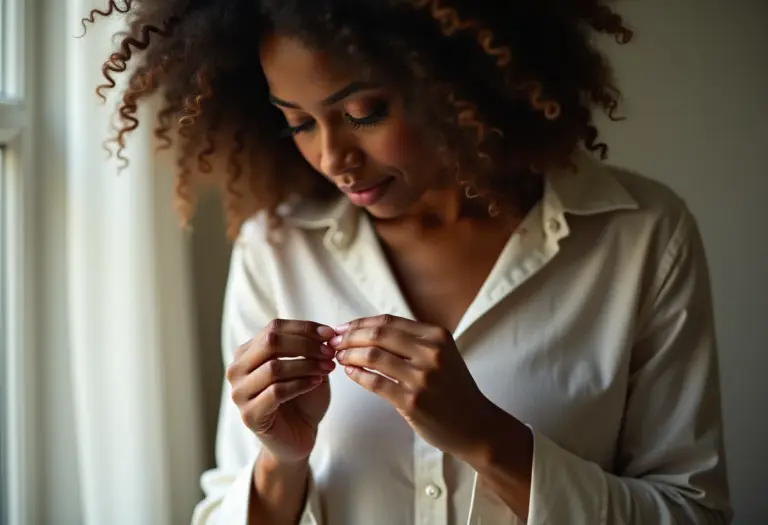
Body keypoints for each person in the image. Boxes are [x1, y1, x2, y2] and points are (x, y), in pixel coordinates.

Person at [89, 0, 732, 523]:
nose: (333, 156)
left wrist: (486, 437)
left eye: (363, 112)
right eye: (299, 123)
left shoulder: (640, 236)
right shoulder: (277, 250)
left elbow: (692, 511)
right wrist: (280, 465)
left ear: (456, 82)